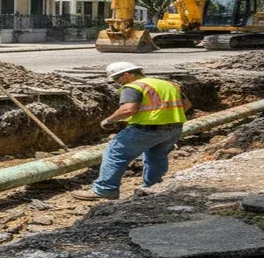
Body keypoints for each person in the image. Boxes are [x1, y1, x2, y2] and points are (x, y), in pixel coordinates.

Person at [72, 62, 192, 201]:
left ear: (127, 75)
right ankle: (152, 186)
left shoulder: (134, 86)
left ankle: (105, 189)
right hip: (174, 128)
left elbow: (128, 109)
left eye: (117, 79)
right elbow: (187, 104)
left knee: (115, 153)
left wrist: (109, 120)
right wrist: (167, 117)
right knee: (157, 156)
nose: (117, 83)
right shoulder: (169, 84)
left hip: (146, 129)